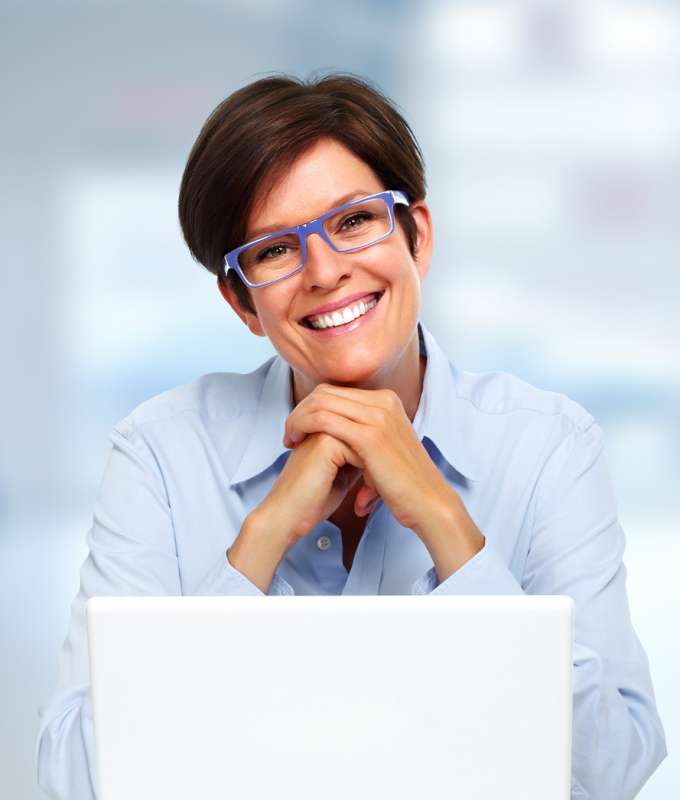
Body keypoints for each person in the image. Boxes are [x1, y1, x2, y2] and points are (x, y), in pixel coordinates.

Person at [36, 73, 666, 799]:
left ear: (416, 237)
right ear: (243, 304)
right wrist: (264, 536)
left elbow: (612, 771)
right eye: (274, 250)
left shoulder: (550, 446)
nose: (326, 271)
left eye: (355, 221)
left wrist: (444, 521)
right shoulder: (160, 454)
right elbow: (75, 781)